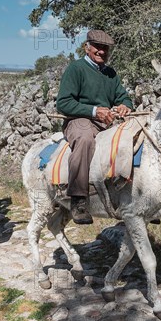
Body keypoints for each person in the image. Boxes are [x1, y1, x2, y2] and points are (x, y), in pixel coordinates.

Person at [56, 30, 133, 224]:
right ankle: (78, 200)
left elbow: (123, 96)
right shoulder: (76, 69)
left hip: (105, 122)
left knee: (132, 137)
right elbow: (63, 103)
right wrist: (93, 111)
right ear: (86, 47)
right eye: (97, 47)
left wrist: (125, 105)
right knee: (84, 139)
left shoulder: (110, 73)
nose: (101, 51)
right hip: (79, 120)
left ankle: (132, 197)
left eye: (105, 48)